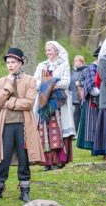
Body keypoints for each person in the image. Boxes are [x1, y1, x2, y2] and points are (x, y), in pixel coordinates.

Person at [0, 47, 43, 202]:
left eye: (13, 62)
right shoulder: (2, 81)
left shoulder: (30, 80)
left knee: (24, 157)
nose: (10, 65)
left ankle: (25, 190)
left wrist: (9, 102)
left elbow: (28, 103)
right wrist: (8, 85)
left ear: (20, 63)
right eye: (8, 62)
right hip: (6, 123)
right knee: (3, 157)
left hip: (23, 124)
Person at [32, 41, 74, 169]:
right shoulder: (42, 65)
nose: (47, 52)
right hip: (44, 101)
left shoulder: (63, 65)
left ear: (56, 51)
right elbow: (35, 80)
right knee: (45, 130)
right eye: (46, 50)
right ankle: (47, 161)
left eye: (50, 50)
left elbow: (66, 82)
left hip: (58, 102)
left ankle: (59, 160)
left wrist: (50, 83)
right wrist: (48, 84)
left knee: (57, 129)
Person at [76, 46, 100, 151]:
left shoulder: (102, 67)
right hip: (91, 100)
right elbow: (91, 87)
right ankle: (93, 147)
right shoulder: (92, 67)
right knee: (92, 125)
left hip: (100, 100)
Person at [69, 55, 87, 133]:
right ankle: (71, 131)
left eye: (77, 60)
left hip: (79, 97)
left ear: (81, 62)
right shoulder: (73, 71)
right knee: (72, 115)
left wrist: (80, 83)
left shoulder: (86, 70)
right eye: (74, 60)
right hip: (71, 96)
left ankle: (75, 132)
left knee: (76, 115)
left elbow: (89, 82)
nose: (74, 62)